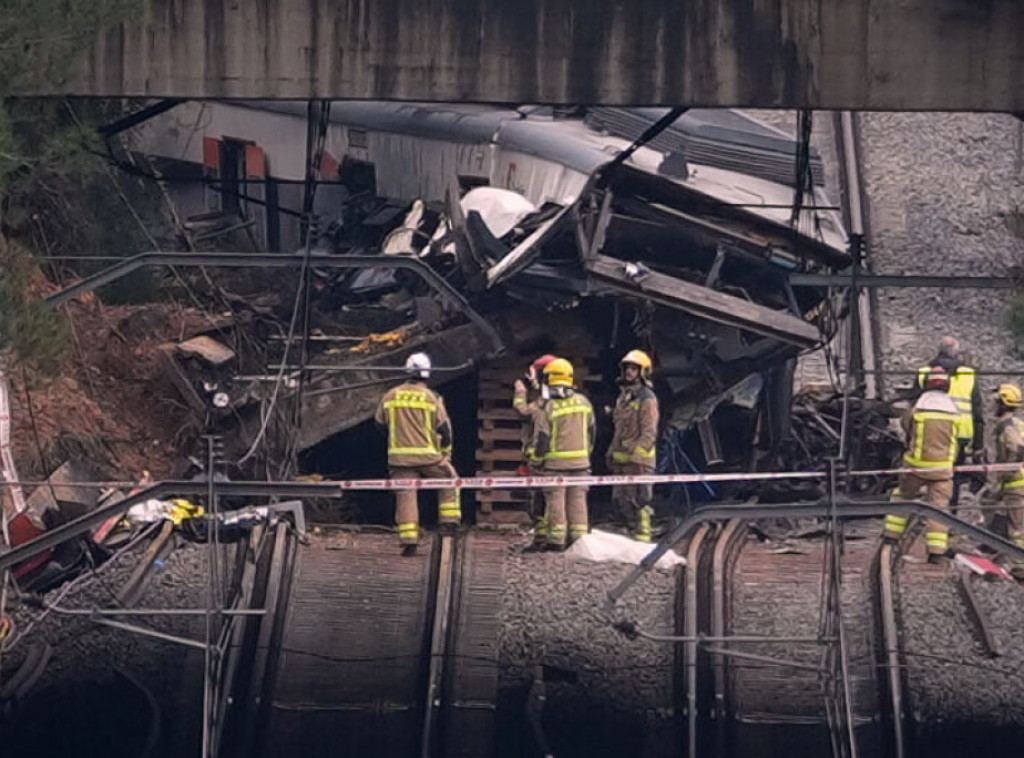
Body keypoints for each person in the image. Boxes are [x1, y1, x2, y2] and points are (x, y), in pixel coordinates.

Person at [374, 352, 460, 554]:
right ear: (427, 374)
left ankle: (409, 540)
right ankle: (449, 523)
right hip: (428, 456)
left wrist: (397, 436)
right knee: (450, 480)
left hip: (399, 458)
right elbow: (444, 429)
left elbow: (379, 424)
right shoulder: (431, 398)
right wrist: (445, 453)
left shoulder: (391, 395)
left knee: (406, 495)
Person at [884, 367, 960, 562]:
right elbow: (958, 437)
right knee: (939, 508)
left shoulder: (918, 408)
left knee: (903, 496)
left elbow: (905, 426)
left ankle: (891, 537)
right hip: (942, 469)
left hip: (916, 466)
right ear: (947, 386)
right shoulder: (954, 411)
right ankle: (936, 552)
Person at [530, 358, 595, 550]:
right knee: (578, 501)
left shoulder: (548, 407)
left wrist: (536, 460)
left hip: (555, 464)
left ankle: (556, 541)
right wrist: (586, 455)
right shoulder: (584, 403)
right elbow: (592, 432)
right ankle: (579, 541)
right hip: (581, 463)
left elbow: (542, 439)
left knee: (555, 501)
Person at [917, 336, 983, 510]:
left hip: (929, 433)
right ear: (956, 352)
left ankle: (930, 508)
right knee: (952, 477)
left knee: (927, 472)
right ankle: (951, 513)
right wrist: (978, 445)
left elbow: (914, 405)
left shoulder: (925, 372)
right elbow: (977, 412)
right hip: (961, 435)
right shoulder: (968, 375)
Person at [607, 350, 659, 541]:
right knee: (620, 500)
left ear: (643, 372)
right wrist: (612, 451)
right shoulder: (623, 398)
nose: (629, 372)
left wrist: (637, 456)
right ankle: (628, 533)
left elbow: (649, 432)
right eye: (627, 368)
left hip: (640, 462)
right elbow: (619, 429)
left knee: (641, 501)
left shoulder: (647, 399)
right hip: (622, 461)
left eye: (634, 368)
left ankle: (643, 536)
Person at [513, 355, 558, 544]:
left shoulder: (545, 401)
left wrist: (520, 392)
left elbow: (523, 410)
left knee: (540, 498)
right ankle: (543, 535)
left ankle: (543, 536)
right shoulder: (556, 396)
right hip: (552, 455)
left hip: (542, 456)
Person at [991, 383, 1024, 577]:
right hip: (1016, 481)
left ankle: (1020, 563)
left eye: (996, 402)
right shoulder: (1018, 423)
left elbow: (1016, 448)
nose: (992, 405)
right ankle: (994, 548)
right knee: (988, 502)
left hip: (1016, 483)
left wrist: (1007, 471)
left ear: (1003, 404)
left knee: (1017, 526)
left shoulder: (1007, 426)